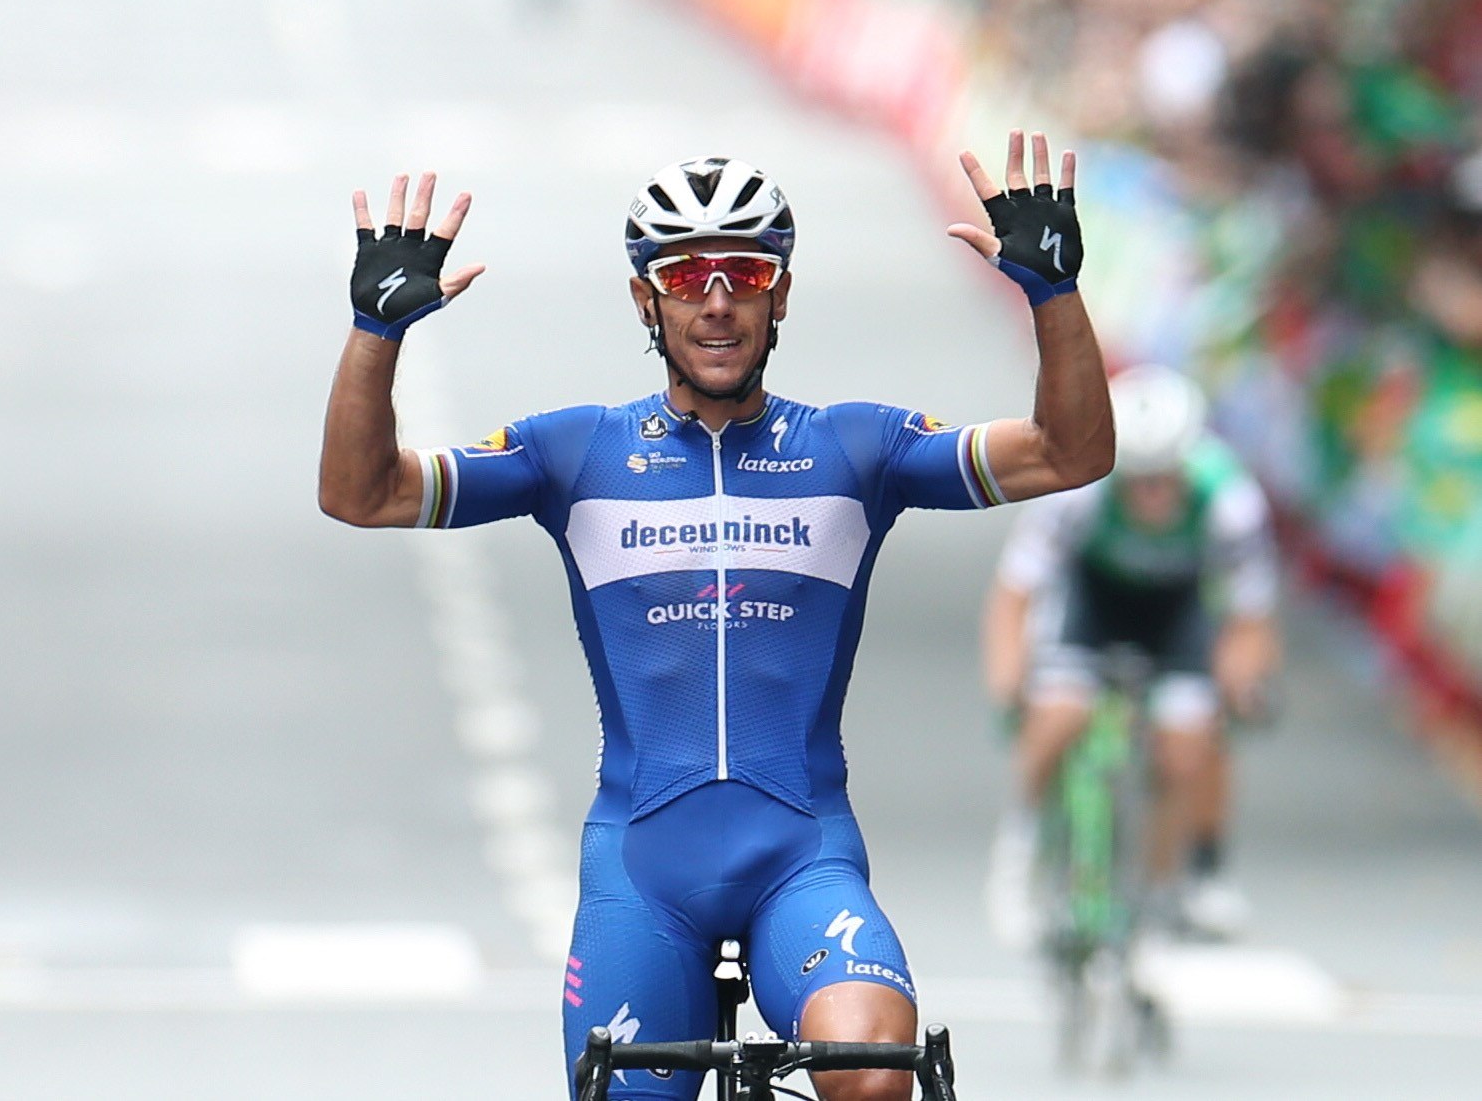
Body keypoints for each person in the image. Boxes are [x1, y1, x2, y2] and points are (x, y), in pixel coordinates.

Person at [319, 133, 1112, 1100]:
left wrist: (1053, 299)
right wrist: (376, 333)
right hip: (643, 869)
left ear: (780, 293)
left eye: (745, 271)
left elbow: (1067, 454)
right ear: (644, 299)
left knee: (871, 1070)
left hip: (802, 860)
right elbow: (360, 493)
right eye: (686, 274)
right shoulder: (573, 452)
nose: (717, 298)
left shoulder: (858, 447)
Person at [982, 364, 1280, 946]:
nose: (1149, 494)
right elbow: (1015, 594)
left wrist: (1241, 681)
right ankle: (1020, 851)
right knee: (1060, 712)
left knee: (1189, 737)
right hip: (1094, 604)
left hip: (1178, 612)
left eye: (1162, 479)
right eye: (1137, 479)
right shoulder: (1080, 490)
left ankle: (1180, 879)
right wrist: (1008, 676)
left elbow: (1251, 617)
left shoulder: (1230, 501)